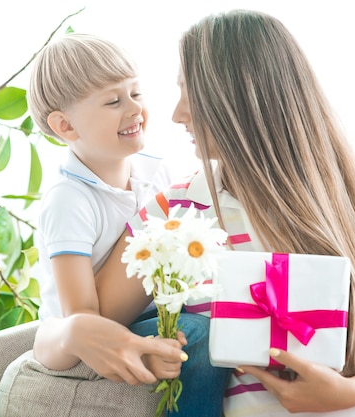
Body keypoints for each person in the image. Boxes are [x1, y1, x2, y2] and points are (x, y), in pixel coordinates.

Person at [94, 8, 355, 417]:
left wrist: (349, 392)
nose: (177, 114)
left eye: (191, 91)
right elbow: (89, 322)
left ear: (240, 99)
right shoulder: (174, 213)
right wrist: (98, 340)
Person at [28, 33, 229, 415]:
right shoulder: (68, 199)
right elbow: (82, 316)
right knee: (196, 335)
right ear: (66, 126)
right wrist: (140, 347)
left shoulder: (157, 171)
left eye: (136, 94)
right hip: (90, 337)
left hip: (151, 310)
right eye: (113, 101)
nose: (134, 109)